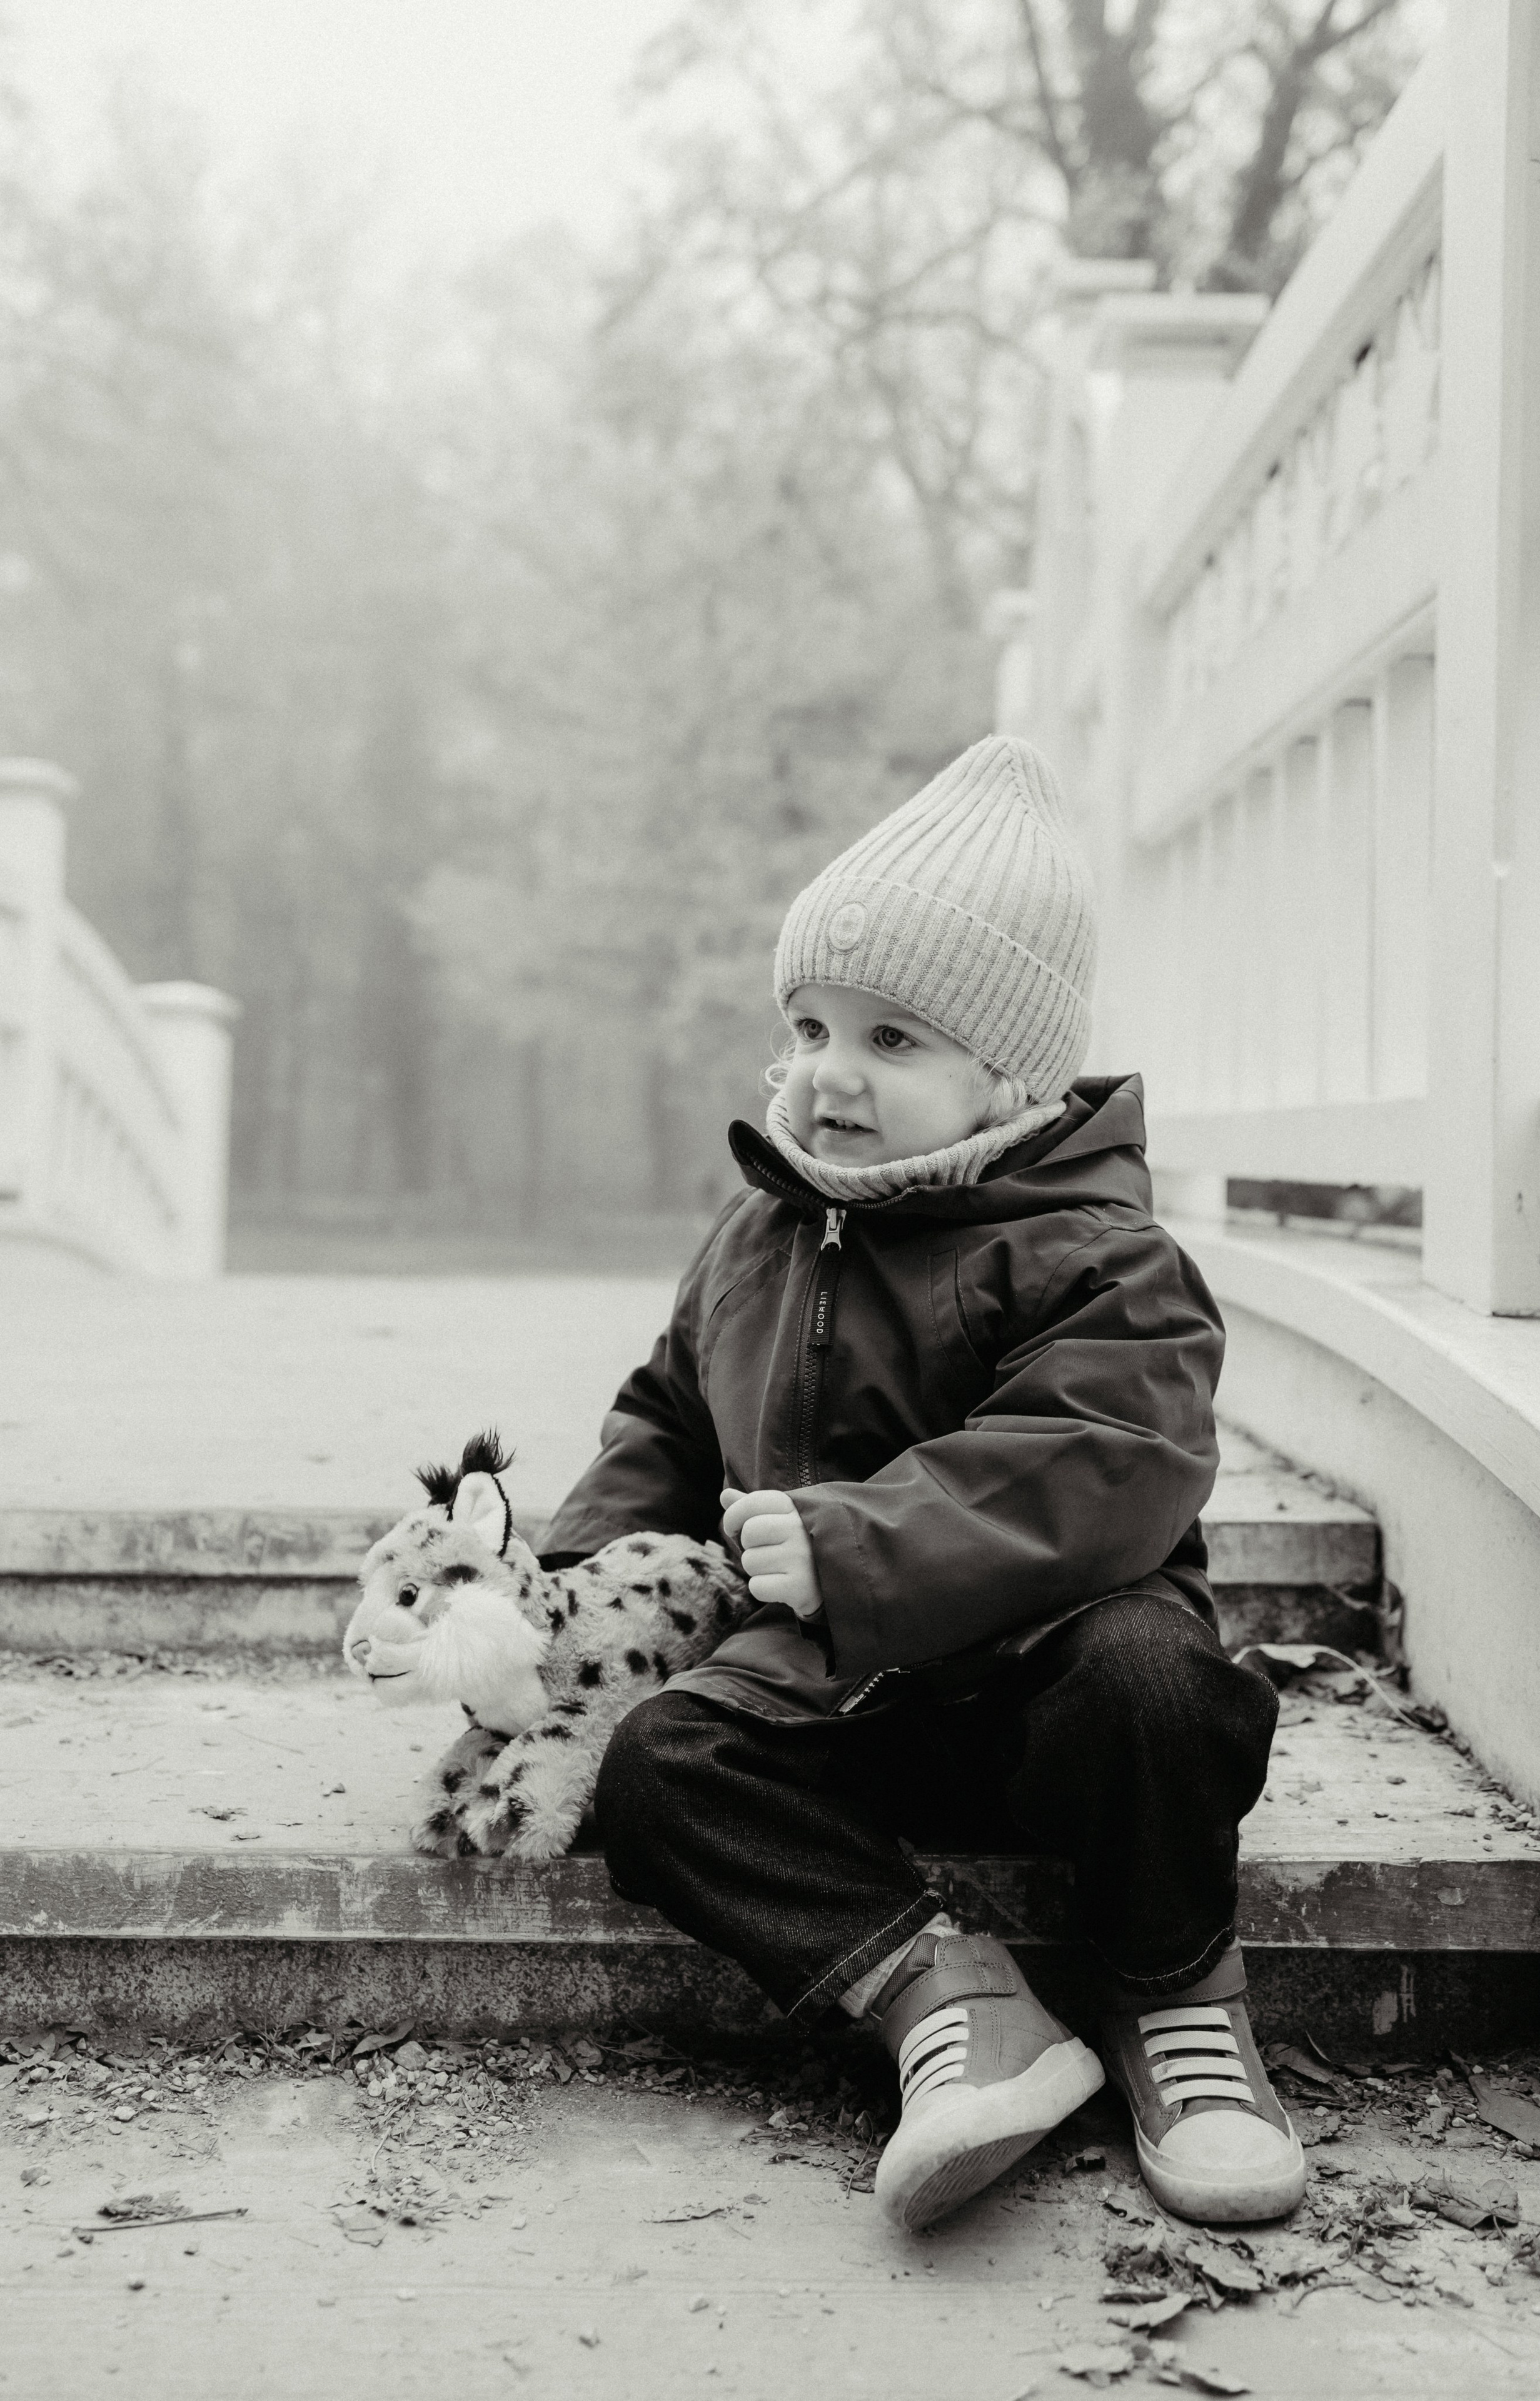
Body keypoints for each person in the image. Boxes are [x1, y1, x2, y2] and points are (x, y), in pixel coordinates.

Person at [540, 733, 1302, 2233]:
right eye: (808, 1027)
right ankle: (942, 1998)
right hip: (838, 1688)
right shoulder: (759, 1235)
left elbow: (1103, 1463)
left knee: (1155, 1687)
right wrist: (568, 1596)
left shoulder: (1100, 1257)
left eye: (891, 1041)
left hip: (1046, 1676)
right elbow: (668, 1419)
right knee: (660, 1768)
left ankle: (1170, 1992)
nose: (827, 1074)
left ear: (1004, 1077)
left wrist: (853, 1542)